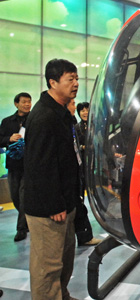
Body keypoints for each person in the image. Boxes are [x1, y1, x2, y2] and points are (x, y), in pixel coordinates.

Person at [23, 59, 80, 300]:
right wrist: (55, 204)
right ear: (52, 82)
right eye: (70, 79)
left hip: (65, 203)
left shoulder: (62, 113)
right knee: (48, 267)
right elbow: (40, 167)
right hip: (49, 209)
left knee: (64, 260)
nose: (76, 84)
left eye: (76, 78)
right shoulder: (44, 117)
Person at [68, 99, 101, 247]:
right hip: (77, 170)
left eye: (86, 109)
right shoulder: (74, 126)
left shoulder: (96, 126)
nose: (84, 112)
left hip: (91, 166)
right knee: (79, 203)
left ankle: (84, 236)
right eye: (80, 109)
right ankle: (84, 236)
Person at [0, 92, 32, 242]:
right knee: (15, 197)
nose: (27, 104)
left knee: (24, 195)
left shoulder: (34, 119)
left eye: (29, 102)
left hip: (29, 165)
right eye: (24, 102)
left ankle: (21, 229)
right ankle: (26, 220)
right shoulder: (7, 122)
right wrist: (9, 139)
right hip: (13, 164)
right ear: (16, 104)